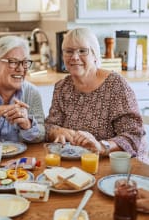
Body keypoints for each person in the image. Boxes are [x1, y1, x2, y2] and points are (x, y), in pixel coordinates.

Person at [45, 28, 145, 157]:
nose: (75, 57)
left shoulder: (115, 85)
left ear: (95, 55)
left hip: (118, 164)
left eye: (82, 51)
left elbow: (133, 135)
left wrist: (102, 146)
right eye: (69, 51)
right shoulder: (62, 88)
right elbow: (49, 126)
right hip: (76, 162)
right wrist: (56, 131)